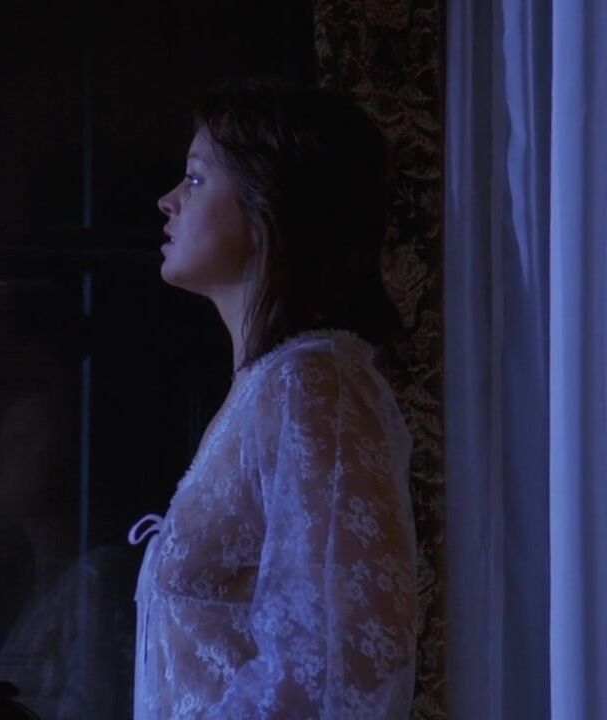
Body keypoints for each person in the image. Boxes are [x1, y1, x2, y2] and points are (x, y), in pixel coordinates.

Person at [128, 82, 417, 719]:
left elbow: (348, 650)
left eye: (195, 179)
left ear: (270, 203)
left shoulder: (311, 384)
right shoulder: (269, 387)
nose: (168, 201)